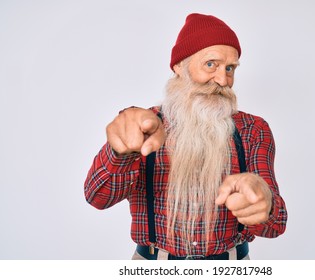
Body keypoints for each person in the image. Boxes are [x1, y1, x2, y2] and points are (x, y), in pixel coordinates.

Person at [84, 13, 287, 260]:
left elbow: (276, 225)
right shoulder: (143, 127)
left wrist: (264, 204)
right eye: (210, 64)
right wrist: (120, 153)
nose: (223, 80)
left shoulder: (253, 130)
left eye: (230, 68)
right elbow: (97, 197)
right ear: (179, 67)